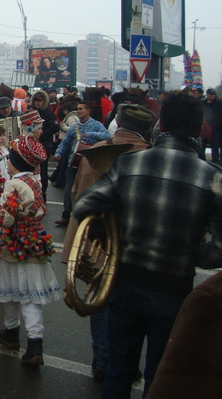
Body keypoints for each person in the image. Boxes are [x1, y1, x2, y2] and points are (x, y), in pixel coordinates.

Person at [73, 93, 222, 398]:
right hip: (174, 290)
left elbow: (83, 207)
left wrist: (114, 237)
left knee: (117, 371)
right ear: (198, 130)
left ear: (161, 124)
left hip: (125, 284)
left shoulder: (129, 163)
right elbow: (218, 250)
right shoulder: (212, 177)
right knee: (160, 374)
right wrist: (190, 253)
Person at [63, 103, 157, 383]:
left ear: (118, 122)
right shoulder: (150, 157)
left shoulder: (94, 152)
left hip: (94, 240)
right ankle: (115, 361)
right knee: (125, 307)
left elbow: (76, 197)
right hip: (133, 245)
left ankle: (101, 360)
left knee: (98, 298)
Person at [0, 135, 60, 366]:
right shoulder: (34, 181)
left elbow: (5, 219)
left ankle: (13, 334)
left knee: (15, 294)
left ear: (18, 161)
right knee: (30, 298)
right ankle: (32, 341)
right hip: (35, 244)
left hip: (16, 246)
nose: (6, 162)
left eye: (10, 158)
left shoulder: (14, 184)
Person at [147, 272, 222, 399]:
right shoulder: (211, 297)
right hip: (171, 291)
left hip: (129, 286)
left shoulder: (210, 296)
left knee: (119, 370)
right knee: (153, 368)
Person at [53, 101, 110, 226]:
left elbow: (107, 135)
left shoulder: (96, 125)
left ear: (88, 111)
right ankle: (66, 216)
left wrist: (91, 134)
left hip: (88, 165)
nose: (78, 111)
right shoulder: (74, 127)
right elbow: (65, 142)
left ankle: (85, 218)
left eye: (81, 109)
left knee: (86, 191)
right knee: (68, 191)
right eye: (77, 109)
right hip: (73, 163)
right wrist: (58, 153)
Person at [28, 90, 59, 199]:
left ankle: (43, 192)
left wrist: (42, 135)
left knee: (43, 170)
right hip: (32, 144)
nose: (38, 103)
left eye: (40, 101)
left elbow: (56, 127)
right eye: (36, 100)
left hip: (45, 145)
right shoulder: (31, 112)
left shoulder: (48, 113)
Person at [202, 88, 222, 162]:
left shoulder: (218, 103)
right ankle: (202, 158)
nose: (212, 96)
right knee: (202, 144)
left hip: (215, 128)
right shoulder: (203, 103)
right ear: (207, 94)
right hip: (205, 127)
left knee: (215, 145)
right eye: (211, 94)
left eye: (213, 94)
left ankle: (215, 160)